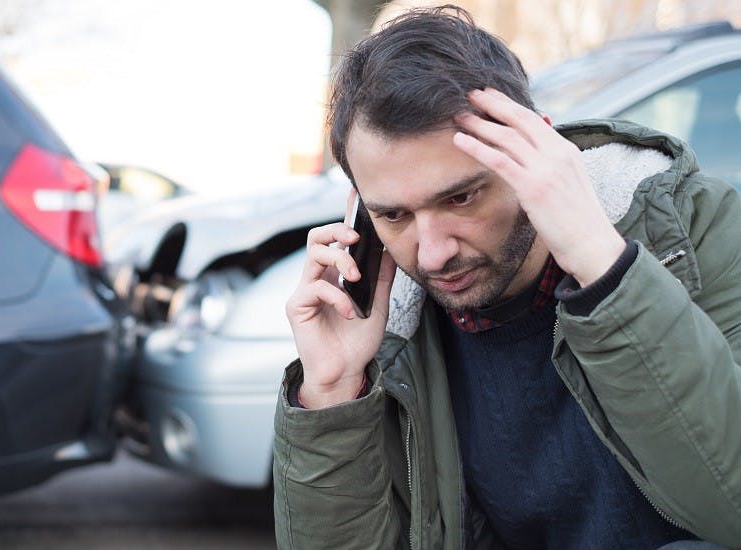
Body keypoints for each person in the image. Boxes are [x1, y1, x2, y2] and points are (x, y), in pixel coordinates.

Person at [272, 5, 741, 550]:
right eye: (393, 215)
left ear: (540, 153)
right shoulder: (384, 331)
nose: (433, 253)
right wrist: (330, 395)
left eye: (462, 196)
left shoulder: (694, 230)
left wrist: (606, 270)